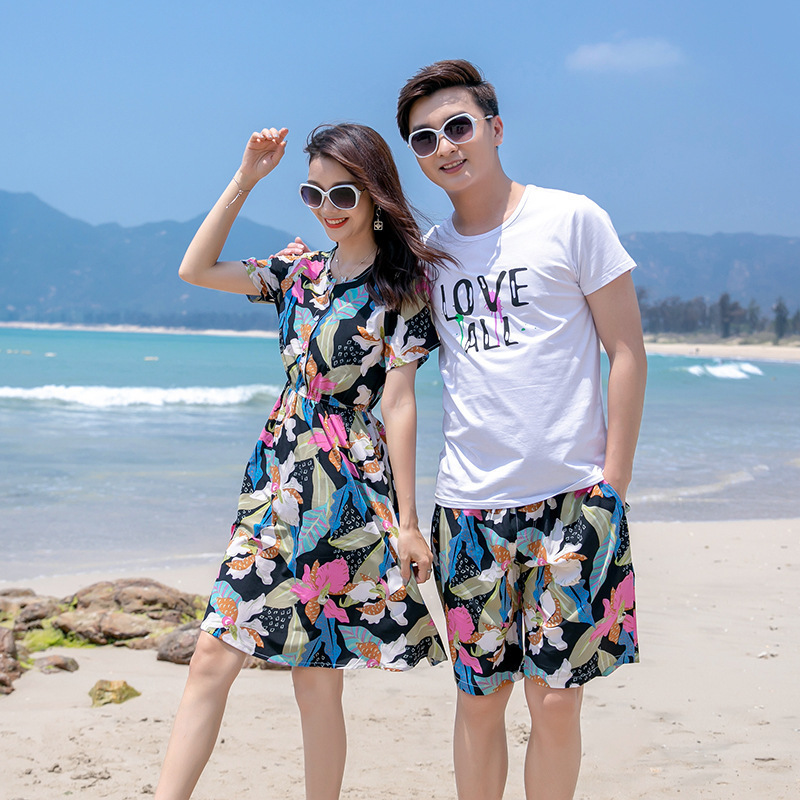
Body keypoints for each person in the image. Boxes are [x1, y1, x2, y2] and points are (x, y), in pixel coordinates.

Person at [282, 58, 647, 800]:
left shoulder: (573, 218)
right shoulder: (428, 260)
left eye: (458, 127)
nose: (445, 146)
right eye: (424, 139)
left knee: (556, 700)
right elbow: (391, 378)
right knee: (480, 703)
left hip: (574, 502)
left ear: (495, 128)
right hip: (470, 510)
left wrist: (615, 480)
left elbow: (627, 351)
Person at [154, 122, 449, 800]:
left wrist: (409, 521)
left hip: (347, 489)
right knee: (210, 656)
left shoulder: (401, 290)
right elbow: (194, 269)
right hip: (275, 483)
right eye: (313, 193)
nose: (328, 207)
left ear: (375, 192)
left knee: (317, 678)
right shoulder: (297, 274)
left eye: (343, 191)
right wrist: (246, 178)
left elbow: (399, 405)